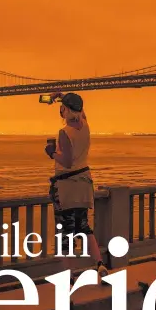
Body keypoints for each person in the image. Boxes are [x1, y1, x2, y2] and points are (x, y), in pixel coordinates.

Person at [45, 91, 109, 279]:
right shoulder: (86, 126)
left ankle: (69, 275)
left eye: (62, 107)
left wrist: (50, 152)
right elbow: (82, 111)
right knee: (83, 226)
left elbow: (66, 161)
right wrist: (64, 96)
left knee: (64, 232)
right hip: (84, 183)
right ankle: (99, 265)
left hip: (67, 186)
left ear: (64, 109)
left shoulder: (64, 132)